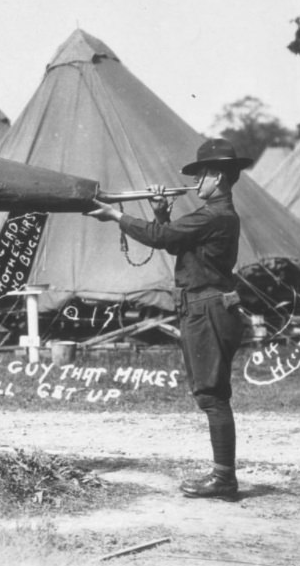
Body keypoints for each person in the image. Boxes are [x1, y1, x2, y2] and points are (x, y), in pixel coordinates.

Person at [85, 138, 253, 501]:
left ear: (218, 176)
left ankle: (224, 479)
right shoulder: (214, 216)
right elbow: (176, 242)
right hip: (202, 308)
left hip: (206, 310)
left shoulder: (215, 215)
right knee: (211, 395)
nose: (198, 182)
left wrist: (118, 215)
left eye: (203, 175)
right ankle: (224, 477)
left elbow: (161, 238)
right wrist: (160, 211)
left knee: (212, 396)